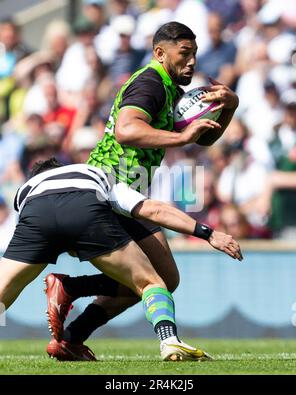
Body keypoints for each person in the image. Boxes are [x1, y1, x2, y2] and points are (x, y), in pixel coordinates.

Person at [60, 21, 238, 359]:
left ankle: (72, 324)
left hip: (128, 189)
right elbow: (127, 130)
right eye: (184, 54)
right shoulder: (150, 83)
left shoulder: (169, 89)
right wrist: (182, 138)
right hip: (112, 188)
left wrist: (230, 105)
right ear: (160, 52)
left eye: (195, 54)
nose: (192, 62)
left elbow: (206, 138)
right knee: (157, 279)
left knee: (165, 278)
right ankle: (74, 297)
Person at [0, 158, 242, 362]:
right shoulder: (91, 172)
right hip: (85, 205)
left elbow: (46, 227)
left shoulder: (25, 189)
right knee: (151, 282)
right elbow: (153, 210)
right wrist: (208, 233)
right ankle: (169, 341)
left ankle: (70, 300)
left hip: (35, 211)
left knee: (3, 292)